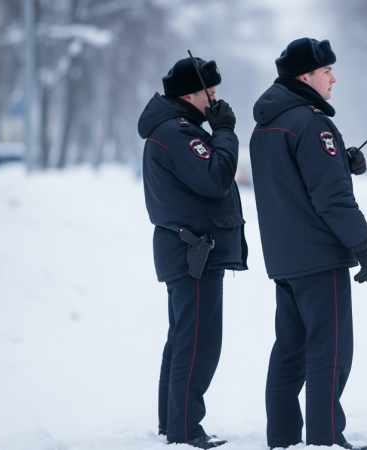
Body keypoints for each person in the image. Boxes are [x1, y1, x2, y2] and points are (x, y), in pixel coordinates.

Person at [249, 38, 367, 450]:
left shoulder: (268, 124)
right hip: (319, 258)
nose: (333, 78)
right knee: (330, 350)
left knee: (290, 351)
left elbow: (293, 184)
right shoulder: (311, 122)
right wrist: (363, 245)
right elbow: (330, 197)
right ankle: (324, 439)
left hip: (285, 258)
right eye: (326, 72)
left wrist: (342, 159)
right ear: (305, 76)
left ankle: (282, 438)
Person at [137, 55, 247, 449]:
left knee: (185, 338)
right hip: (192, 252)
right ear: (189, 95)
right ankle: (185, 430)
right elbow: (216, 178)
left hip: (186, 250)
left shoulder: (173, 129)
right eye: (210, 94)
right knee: (198, 342)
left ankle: (174, 425)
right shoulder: (179, 133)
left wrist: (215, 129)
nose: (215, 103)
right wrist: (226, 131)